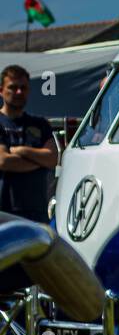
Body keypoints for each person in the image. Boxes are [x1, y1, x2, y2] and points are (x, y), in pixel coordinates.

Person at [0, 65, 58, 222]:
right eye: (13, 87)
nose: (19, 92)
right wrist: (40, 161)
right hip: (4, 212)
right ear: (1, 90)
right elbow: (4, 161)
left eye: (23, 88)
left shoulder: (40, 124)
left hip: (37, 212)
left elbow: (52, 158)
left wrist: (21, 150)